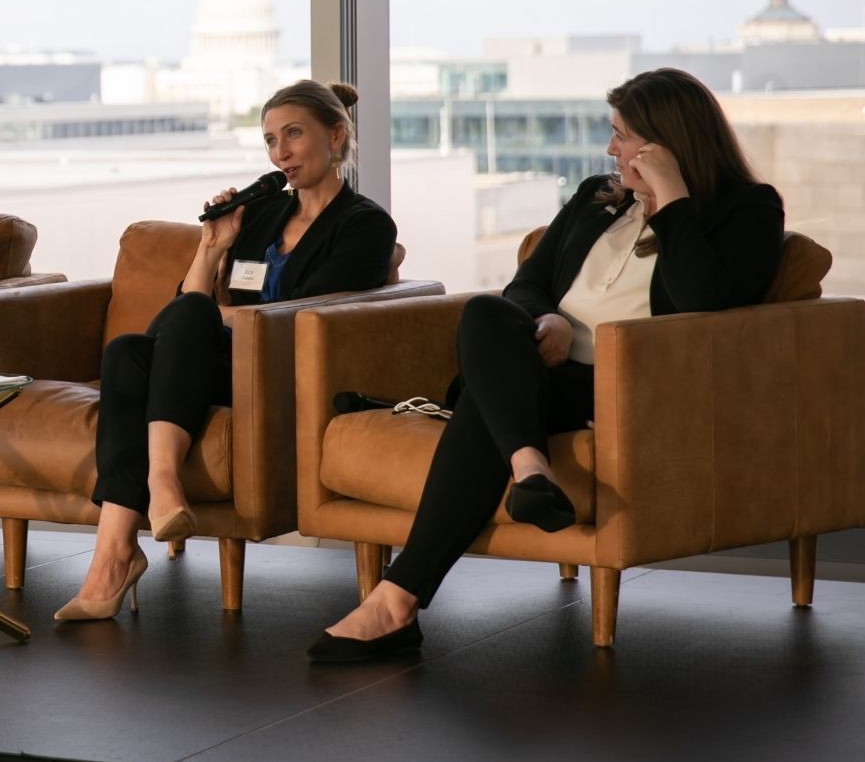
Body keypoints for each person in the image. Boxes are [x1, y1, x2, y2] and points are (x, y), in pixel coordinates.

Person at [310, 67, 785, 661]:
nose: (611, 149)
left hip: (627, 386)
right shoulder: (596, 197)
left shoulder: (747, 209)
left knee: (483, 407)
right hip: (536, 369)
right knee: (486, 312)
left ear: (667, 143)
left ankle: (399, 598)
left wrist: (673, 200)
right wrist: (549, 321)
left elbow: (703, 304)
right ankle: (528, 469)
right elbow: (525, 286)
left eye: (623, 136)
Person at [55, 80, 396, 622]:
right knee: (125, 351)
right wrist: (212, 246)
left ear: (336, 136)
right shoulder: (261, 216)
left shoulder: (366, 225)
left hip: (285, 372)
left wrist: (211, 314)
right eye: (269, 141)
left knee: (182, 322)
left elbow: (304, 318)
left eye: (293, 135)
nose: (280, 153)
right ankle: (115, 550)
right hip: (216, 365)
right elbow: (183, 306)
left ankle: (156, 488)